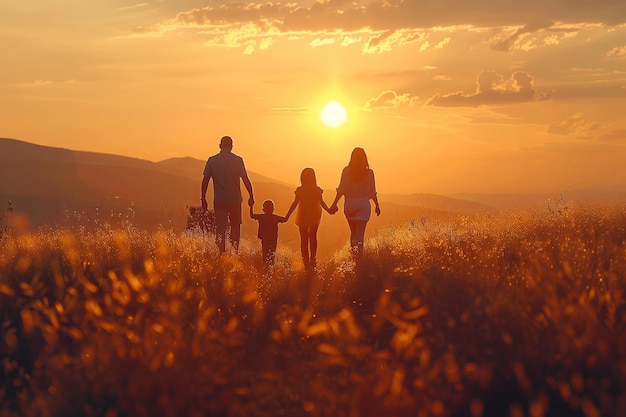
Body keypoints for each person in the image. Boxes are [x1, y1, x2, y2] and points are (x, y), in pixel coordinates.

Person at [201, 135, 254, 253]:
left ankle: (221, 254)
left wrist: (203, 198)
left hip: (220, 200)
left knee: (220, 228)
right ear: (232, 146)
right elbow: (245, 179)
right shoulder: (238, 160)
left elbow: (205, 180)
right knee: (235, 227)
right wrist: (251, 195)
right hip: (235, 200)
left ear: (220, 146)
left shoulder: (212, 160)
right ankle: (234, 252)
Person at [329, 147, 381, 258]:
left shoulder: (346, 171)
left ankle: (354, 257)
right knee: (360, 234)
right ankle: (360, 259)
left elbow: (341, 190)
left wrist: (334, 204)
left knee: (353, 233)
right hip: (364, 205)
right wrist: (377, 205)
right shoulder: (369, 173)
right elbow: (372, 192)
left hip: (350, 204)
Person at [285, 167, 332, 272]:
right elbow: (322, 203)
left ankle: (306, 263)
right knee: (313, 238)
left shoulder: (300, 190)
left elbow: (294, 204)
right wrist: (329, 210)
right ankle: (313, 260)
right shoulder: (317, 190)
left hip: (303, 216)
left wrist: (287, 216)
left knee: (304, 240)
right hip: (315, 215)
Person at [249, 199, 287, 267]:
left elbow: (251, 215)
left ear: (263, 209)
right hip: (273, 240)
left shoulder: (261, 217)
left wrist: (251, 206)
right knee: (272, 256)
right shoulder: (275, 218)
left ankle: (265, 269)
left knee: (265, 255)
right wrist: (290, 211)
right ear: (273, 209)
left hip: (265, 239)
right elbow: (285, 219)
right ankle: (270, 271)